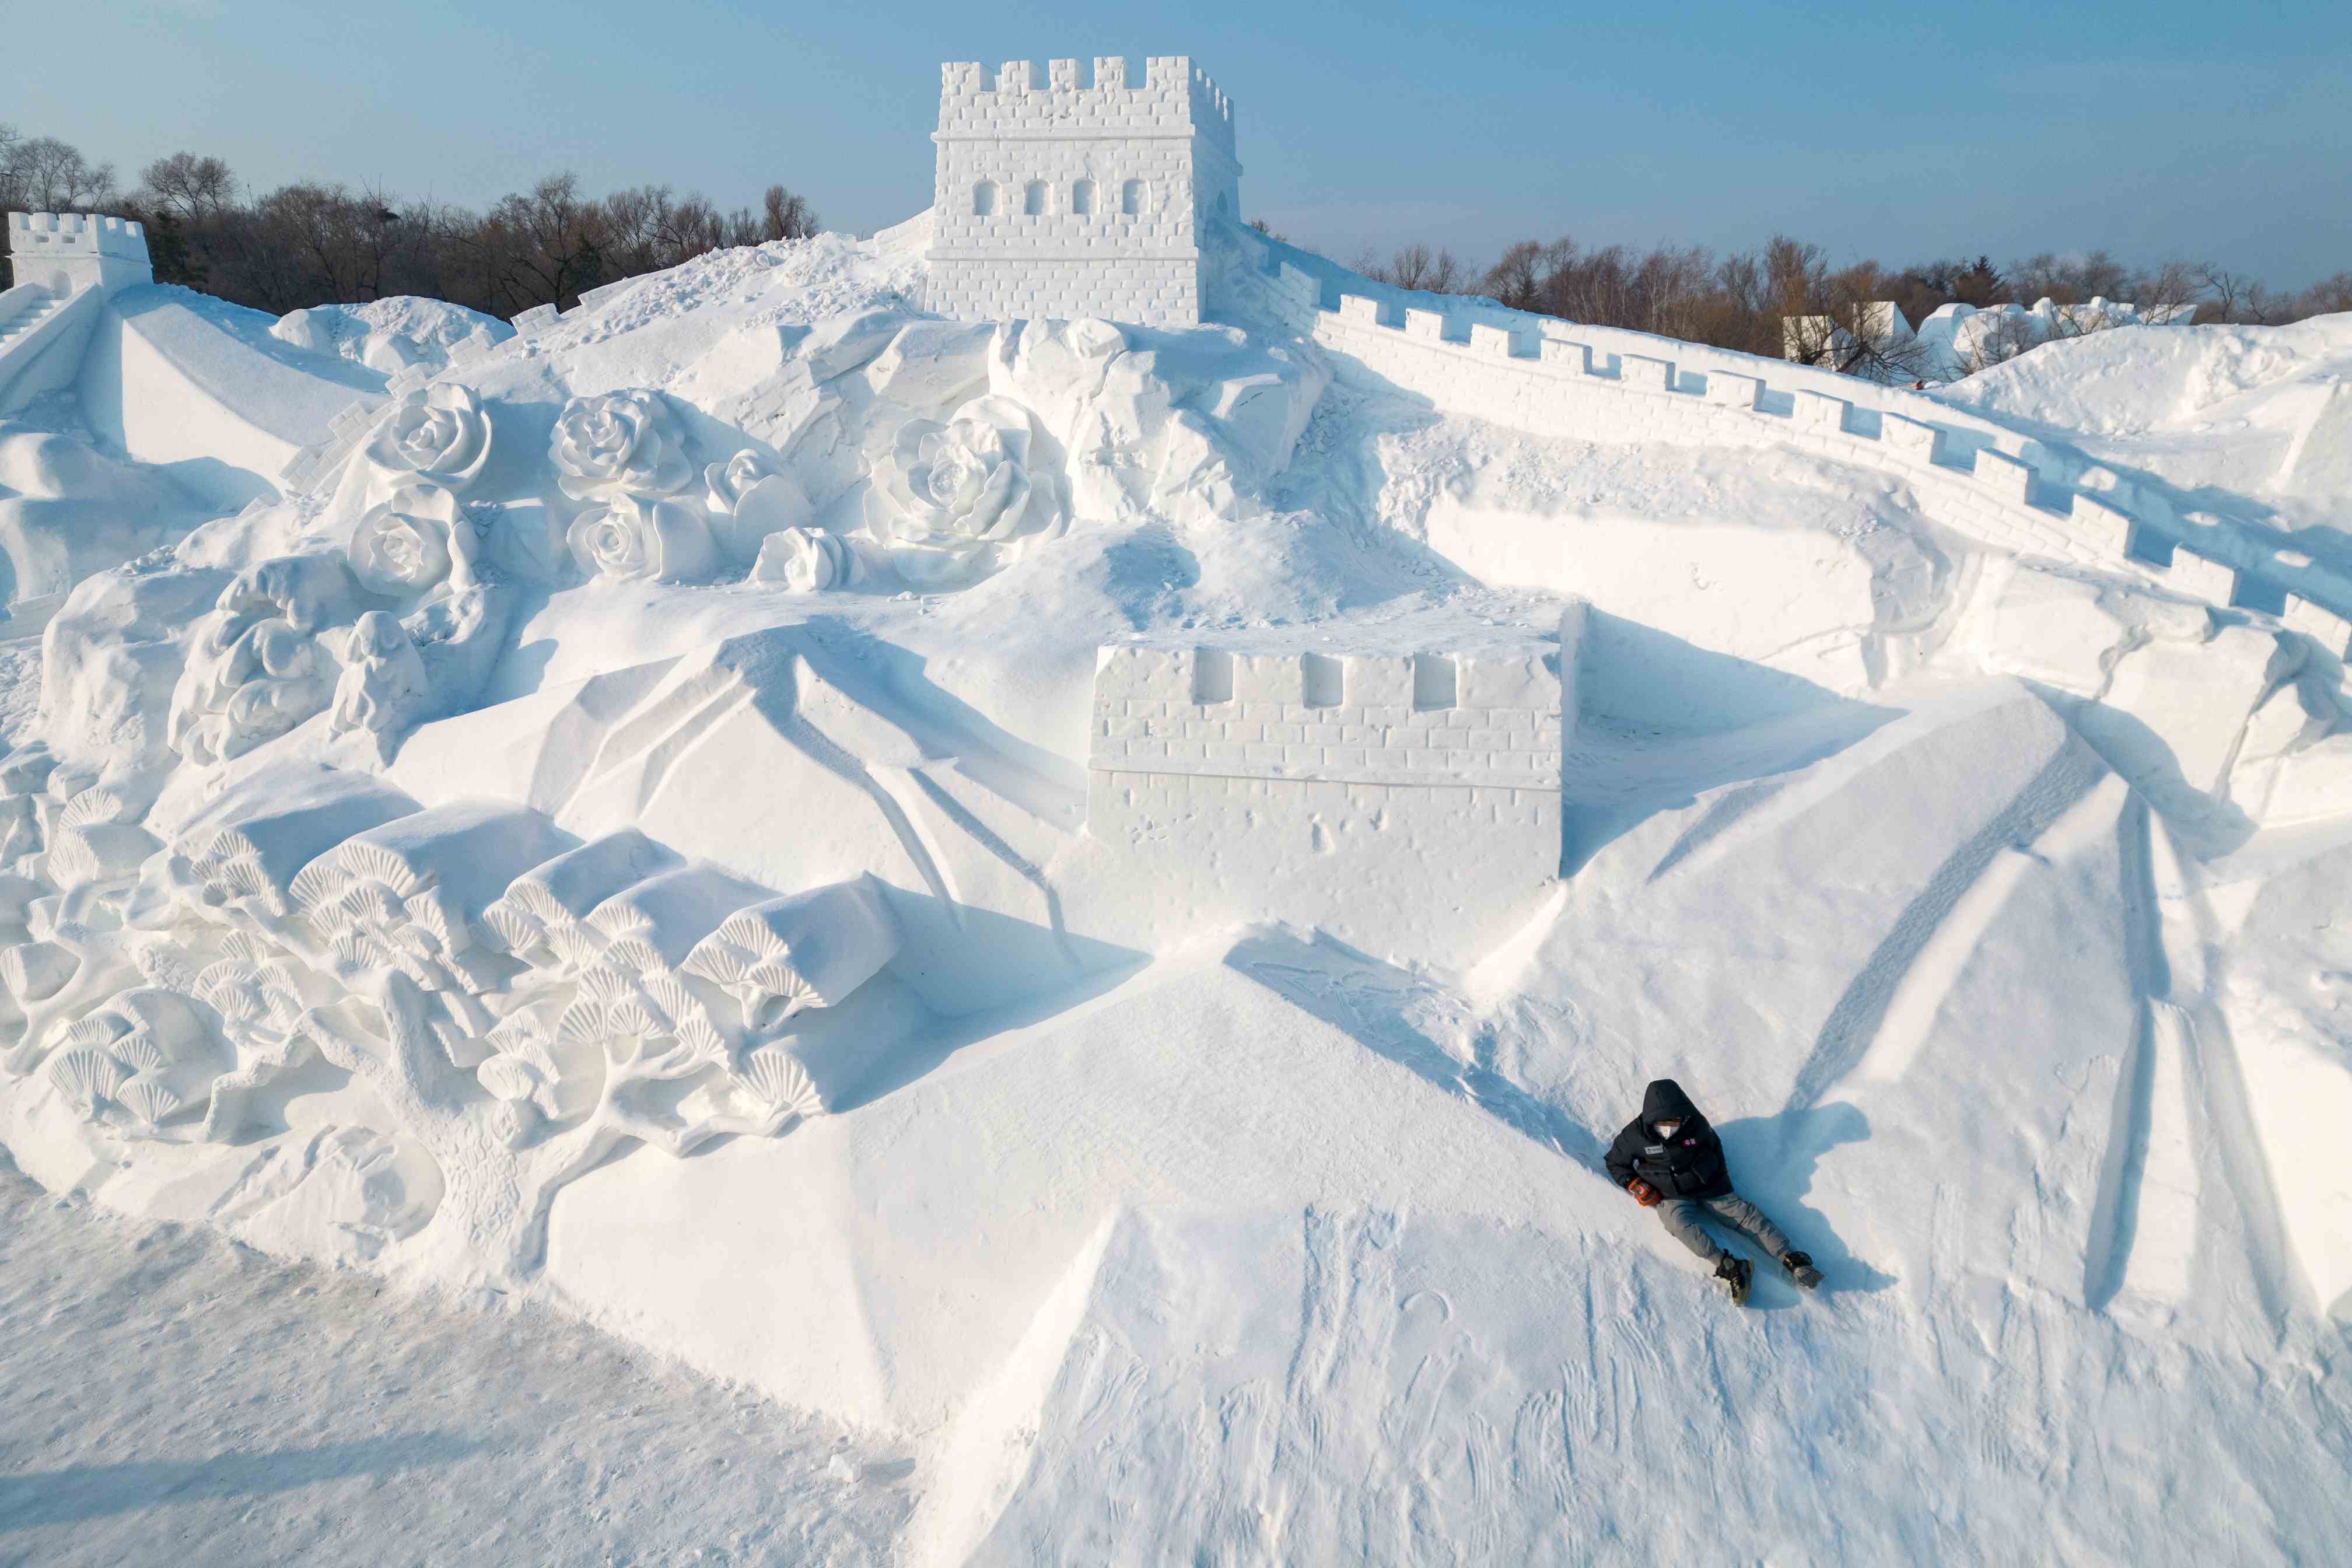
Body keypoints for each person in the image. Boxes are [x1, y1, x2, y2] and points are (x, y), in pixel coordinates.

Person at [1604, 1077, 1823, 1303]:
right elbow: (1615, 1163)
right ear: (1651, 1118)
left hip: (1709, 1186)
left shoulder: (1696, 1124)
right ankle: (1729, 1266)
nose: (1671, 1125)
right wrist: (1636, 1185)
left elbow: (1715, 1148)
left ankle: (1792, 1259)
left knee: (1746, 1216)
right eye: (1664, 1121)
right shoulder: (1634, 1136)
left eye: (1676, 1120)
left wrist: (1721, 1180)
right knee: (1678, 1225)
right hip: (1671, 1195)